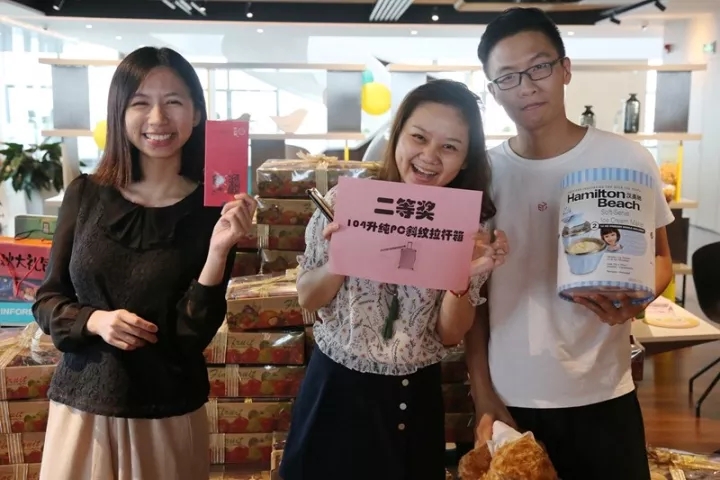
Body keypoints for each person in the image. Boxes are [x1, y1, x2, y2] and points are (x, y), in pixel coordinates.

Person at [465, 8, 674, 480]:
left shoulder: (626, 158)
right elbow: (473, 296)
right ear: (493, 91)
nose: (526, 86)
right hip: (511, 398)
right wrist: (483, 394)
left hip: (605, 392)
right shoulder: (484, 174)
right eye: (508, 77)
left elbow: (661, 258)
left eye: (539, 67)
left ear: (565, 69)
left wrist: (637, 300)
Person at [33, 46, 256, 480]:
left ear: (196, 113)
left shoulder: (215, 210)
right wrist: (95, 320)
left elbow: (190, 336)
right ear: (119, 113)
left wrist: (218, 251)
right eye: (140, 102)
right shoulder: (85, 194)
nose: (158, 118)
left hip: (166, 413)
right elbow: (47, 300)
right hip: (82, 410)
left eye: (173, 101)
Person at [279, 79, 509, 480]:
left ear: (465, 160)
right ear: (397, 135)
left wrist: (460, 278)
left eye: (449, 147)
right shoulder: (346, 204)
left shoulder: (466, 228)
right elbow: (308, 298)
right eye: (418, 137)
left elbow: (449, 333)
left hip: (412, 395)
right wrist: (344, 256)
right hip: (336, 389)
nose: (429, 156)